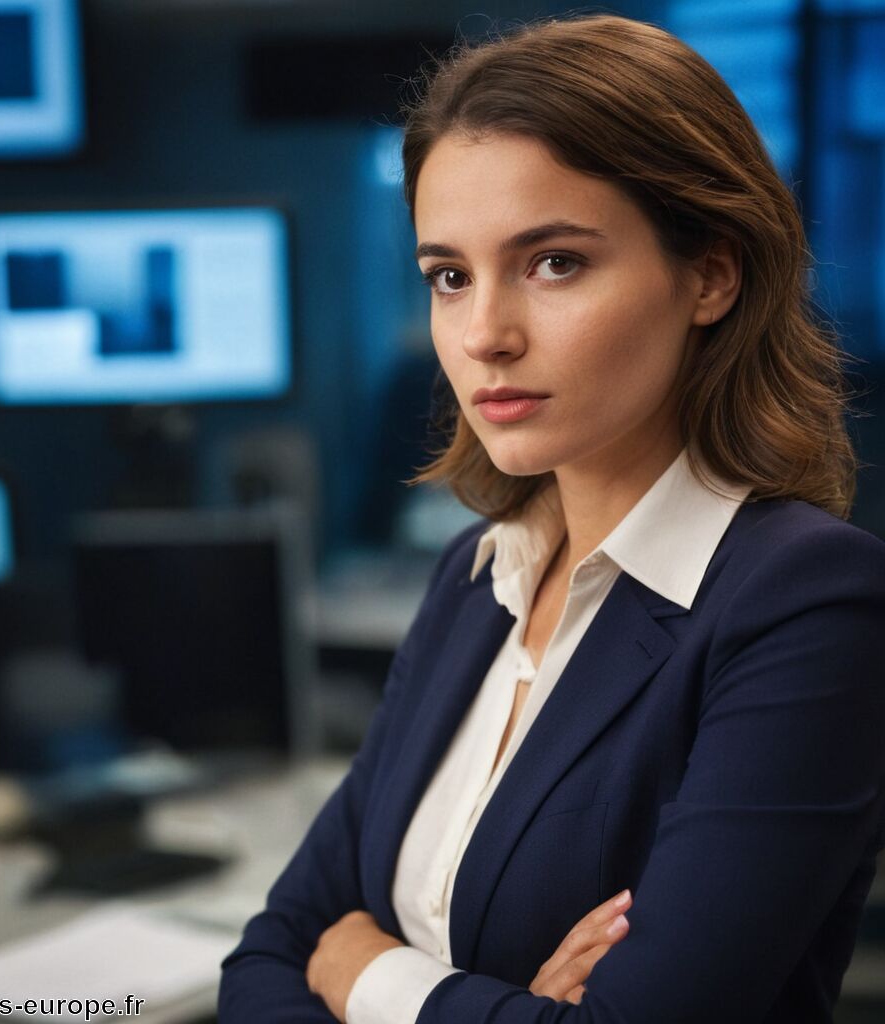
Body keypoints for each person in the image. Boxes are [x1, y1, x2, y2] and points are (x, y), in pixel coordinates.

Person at [219, 14, 885, 1023]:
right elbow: (270, 952)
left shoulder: (808, 603)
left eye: (553, 262)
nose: (483, 333)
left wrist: (372, 974)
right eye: (449, 275)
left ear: (710, 273)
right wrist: (503, 1006)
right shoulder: (474, 574)